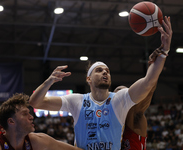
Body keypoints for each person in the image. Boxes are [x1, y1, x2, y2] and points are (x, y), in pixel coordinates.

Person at [29, 16, 172, 149]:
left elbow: (148, 82)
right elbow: (35, 102)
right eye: (99, 70)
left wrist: (165, 50)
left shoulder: (119, 99)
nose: (105, 72)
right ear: (88, 79)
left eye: (107, 71)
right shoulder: (76, 100)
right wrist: (49, 81)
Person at [0, 93, 83, 150]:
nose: (31, 117)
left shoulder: (37, 141)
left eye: (29, 113)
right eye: (25, 113)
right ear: (11, 121)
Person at [114, 48, 163, 150]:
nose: (121, 96)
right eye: (118, 93)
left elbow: (149, 89)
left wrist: (152, 67)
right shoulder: (109, 125)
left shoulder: (136, 116)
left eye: (124, 93)